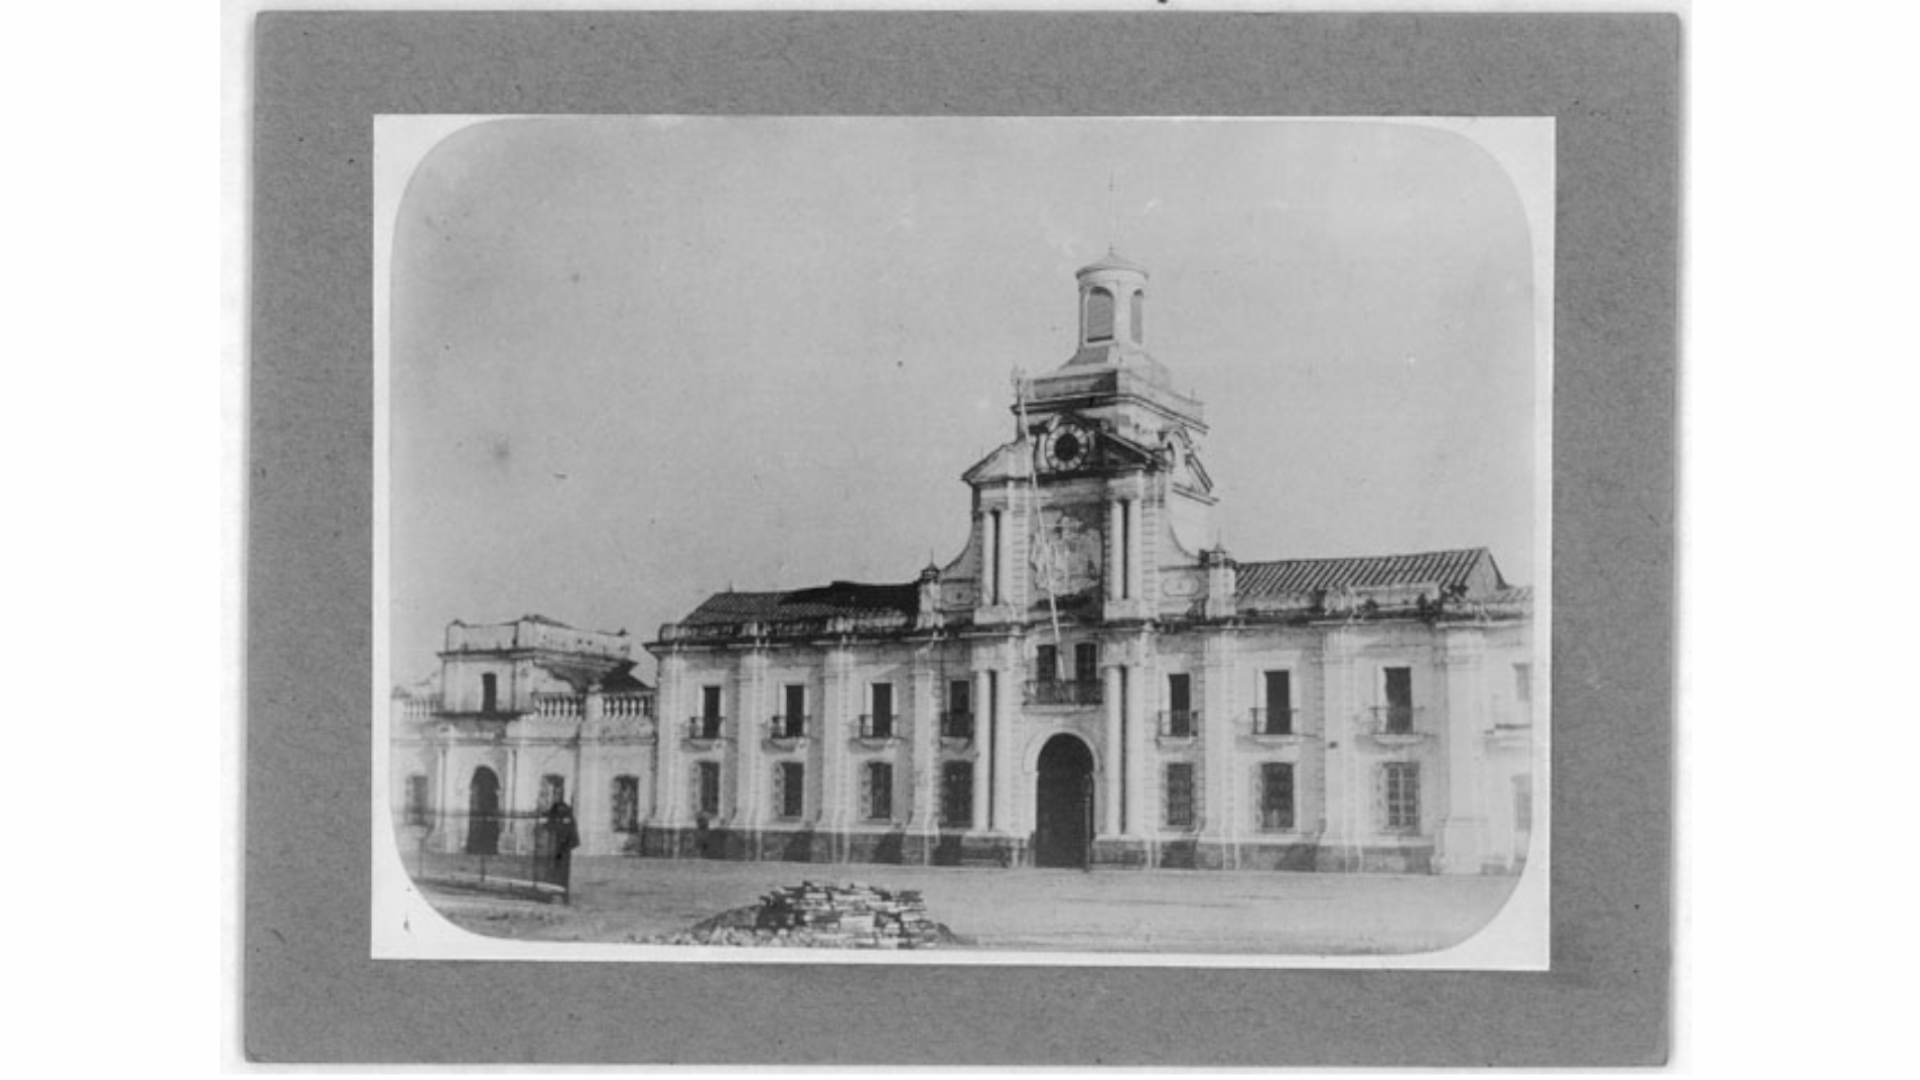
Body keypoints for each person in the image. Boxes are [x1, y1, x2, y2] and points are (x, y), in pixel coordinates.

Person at [544, 798, 580, 903]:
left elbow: (550, 827)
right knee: (560, 872)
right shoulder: (566, 815)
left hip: (560, 849)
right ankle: (561, 893)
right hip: (561, 849)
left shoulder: (562, 815)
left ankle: (558, 893)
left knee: (557, 871)